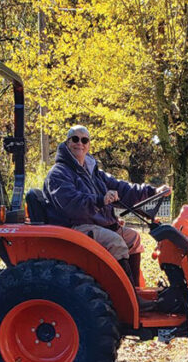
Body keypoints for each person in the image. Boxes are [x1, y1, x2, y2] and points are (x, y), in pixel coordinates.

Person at [44, 125, 170, 292]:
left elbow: (123, 189)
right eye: (75, 139)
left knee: (133, 238)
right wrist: (100, 200)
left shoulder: (94, 173)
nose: (79, 143)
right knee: (116, 242)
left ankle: (136, 290)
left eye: (84, 140)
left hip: (97, 224)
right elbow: (71, 204)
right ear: (67, 143)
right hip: (75, 227)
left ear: (89, 145)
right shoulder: (59, 173)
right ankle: (127, 299)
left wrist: (152, 191)